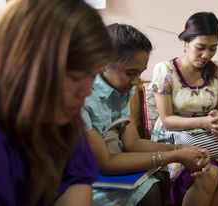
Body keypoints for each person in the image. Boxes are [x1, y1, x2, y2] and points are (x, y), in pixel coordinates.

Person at [0, 0, 113, 205]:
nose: (86, 92)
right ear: (22, 66)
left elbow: (77, 180)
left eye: (92, 76)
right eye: (74, 77)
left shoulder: (61, 118)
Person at [82, 23, 211, 206]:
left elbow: (132, 143)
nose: (136, 82)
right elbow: (106, 163)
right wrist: (175, 155)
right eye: (130, 73)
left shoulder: (122, 92)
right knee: (151, 194)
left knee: (160, 179)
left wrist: (182, 150)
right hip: (89, 178)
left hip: (113, 172)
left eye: (140, 73)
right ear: (103, 62)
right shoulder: (82, 96)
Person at [149, 12, 218, 205]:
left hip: (210, 139)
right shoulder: (165, 71)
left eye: (213, 49)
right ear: (185, 42)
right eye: (200, 48)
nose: (206, 55)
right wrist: (203, 122)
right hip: (174, 139)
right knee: (210, 172)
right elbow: (167, 119)